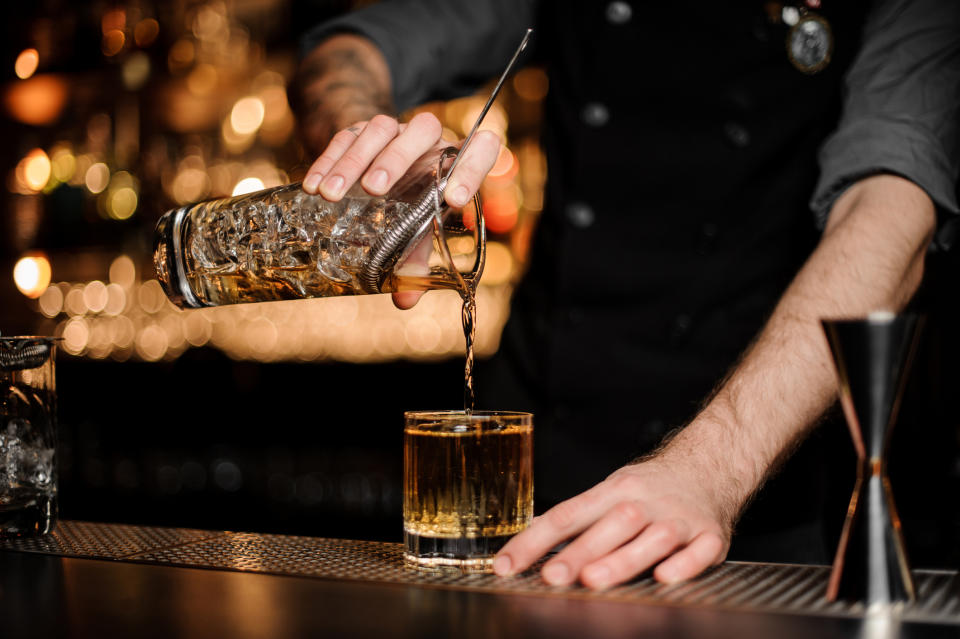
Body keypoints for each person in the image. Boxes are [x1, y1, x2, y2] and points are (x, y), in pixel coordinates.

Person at [294, 0, 960, 589]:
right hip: (533, 464)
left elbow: (891, 211)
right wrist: (364, 141)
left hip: (749, 494)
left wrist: (711, 469)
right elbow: (349, 51)